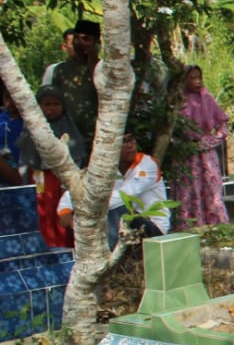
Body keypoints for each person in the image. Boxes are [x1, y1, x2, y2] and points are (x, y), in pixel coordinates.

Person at [60, 131, 171, 249]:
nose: (130, 145)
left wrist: (86, 207)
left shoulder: (148, 165)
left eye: (131, 140)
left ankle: (108, 256)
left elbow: (123, 196)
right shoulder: (105, 168)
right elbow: (72, 192)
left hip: (152, 228)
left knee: (117, 208)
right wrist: (66, 213)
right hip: (122, 230)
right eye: (123, 142)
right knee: (98, 209)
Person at [17, 87, 86, 248]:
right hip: (40, 178)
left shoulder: (69, 127)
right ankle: (48, 247)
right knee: (44, 212)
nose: (52, 108)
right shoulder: (32, 129)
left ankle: (66, 247)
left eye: (56, 104)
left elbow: (77, 157)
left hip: (64, 178)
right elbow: (26, 158)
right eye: (47, 104)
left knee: (64, 210)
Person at [172, 65, 230, 229]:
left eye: (199, 78)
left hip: (205, 153)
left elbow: (223, 125)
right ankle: (188, 226)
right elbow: (167, 130)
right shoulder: (176, 101)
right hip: (185, 154)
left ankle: (216, 225)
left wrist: (211, 141)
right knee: (187, 191)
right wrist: (179, 144)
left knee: (211, 189)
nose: (197, 82)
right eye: (192, 78)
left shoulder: (207, 98)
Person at [44, 18, 101, 143]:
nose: (79, 43)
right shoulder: (60, 70)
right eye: (76, 38)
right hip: (67, 136)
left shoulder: (103, 69)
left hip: (97, 137)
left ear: (96, 42)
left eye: (86, 39)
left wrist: (92, 61)